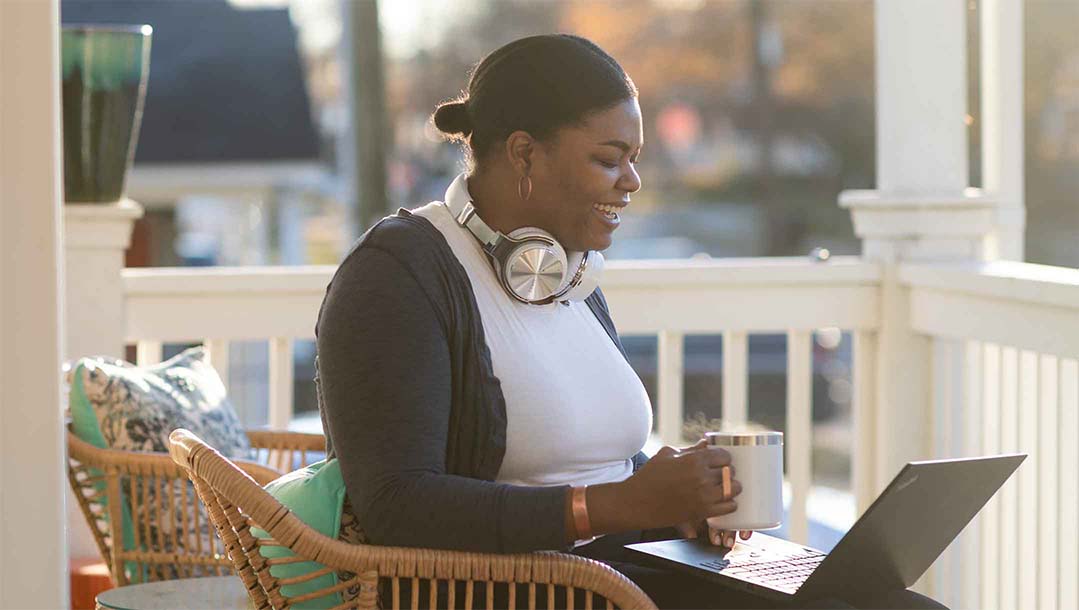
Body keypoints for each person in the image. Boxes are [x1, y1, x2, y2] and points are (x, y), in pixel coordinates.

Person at [315, 33, 945, 610]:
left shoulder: (560, 269)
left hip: (630, 566)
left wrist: (676, 495)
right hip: (532, 591)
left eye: (635, 158)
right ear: (524, 153)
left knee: (896, 600)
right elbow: (399, 505)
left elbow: (584, 465)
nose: (634, 181)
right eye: (609, 158)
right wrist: (617, 506)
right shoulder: (399, 273)